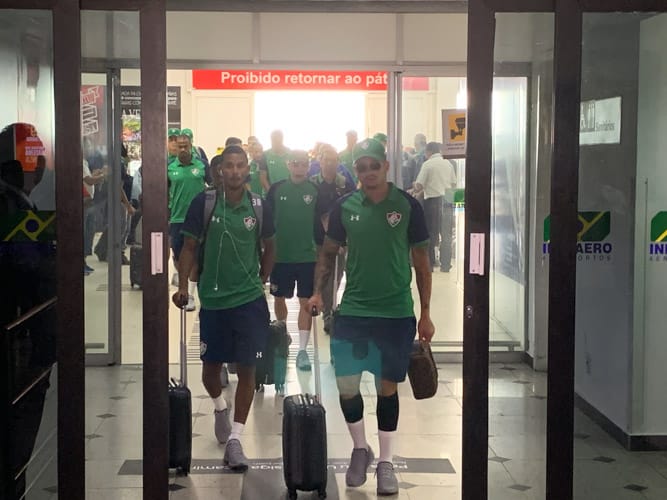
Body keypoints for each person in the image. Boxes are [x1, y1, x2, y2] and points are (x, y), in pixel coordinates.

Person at [308, 137, 434, 496]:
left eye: (373, 166)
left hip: (395, 312)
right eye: (361, 167)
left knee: (386, 388)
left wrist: (426, 313)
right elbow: (328, 253)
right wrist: (317, 292)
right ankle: (360, 448)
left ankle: (386, 463)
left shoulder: (408, 206)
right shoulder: (345, 206)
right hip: (354, 310)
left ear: (386, 167)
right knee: (346, 385)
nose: (367, 173)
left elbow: (422, 264)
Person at [172, 147, 275, 471]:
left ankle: (235, 439)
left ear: (247, 169)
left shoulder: (259, 205)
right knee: (209, 372)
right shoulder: (203, 204)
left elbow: (271, 245)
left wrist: (262, 278)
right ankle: (219, 406)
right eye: (228, 166)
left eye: (240, 165)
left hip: (249, 301)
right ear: (220, 170)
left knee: (248, 369)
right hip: (214, 302)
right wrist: (183, 286)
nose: (234, 171)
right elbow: (188, 247)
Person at [266, 150, 321, 371]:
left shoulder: (314, 190)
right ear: (288, 165)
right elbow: (267, 221)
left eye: (303, 164)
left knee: (306, 301)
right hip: (281, 256)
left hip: (307, 256)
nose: (299, 168)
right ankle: (282, 335)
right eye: (295, 163)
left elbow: (321, 222)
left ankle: (303, 351)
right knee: (279, 297)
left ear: (308, 166)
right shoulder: (277, 189)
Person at [309, 144, 355, 333]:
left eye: (334, 160)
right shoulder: (312, 183)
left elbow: (352, 206)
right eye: (326, 160)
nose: (330, 164)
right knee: (323, 276)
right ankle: (327, 313)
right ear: (320, 162)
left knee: (337, 275)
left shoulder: (345, 183)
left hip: (340, 240)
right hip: (319, 240)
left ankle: (330, 308)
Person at [168, 131, 207, 310]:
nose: (182, 149)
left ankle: (190, 294)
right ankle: (182, 283)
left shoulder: (201, 165)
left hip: (198, 219)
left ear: (191, 146)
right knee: (179, 256)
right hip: (177, 218)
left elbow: (213, 184)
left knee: (195, 258)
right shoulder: (169, 167)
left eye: (185, 146)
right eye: (180, 146)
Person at [412, 142, 457, 271]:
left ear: (429, 152)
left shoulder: (427, 164)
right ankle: (445, 265)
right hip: (448, 200)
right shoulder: (448, 163)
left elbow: (419, 185)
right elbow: (453, 184)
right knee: (447, 234)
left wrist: (414, 185)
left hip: (432, 201)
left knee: (431, 233)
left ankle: (430, 264)